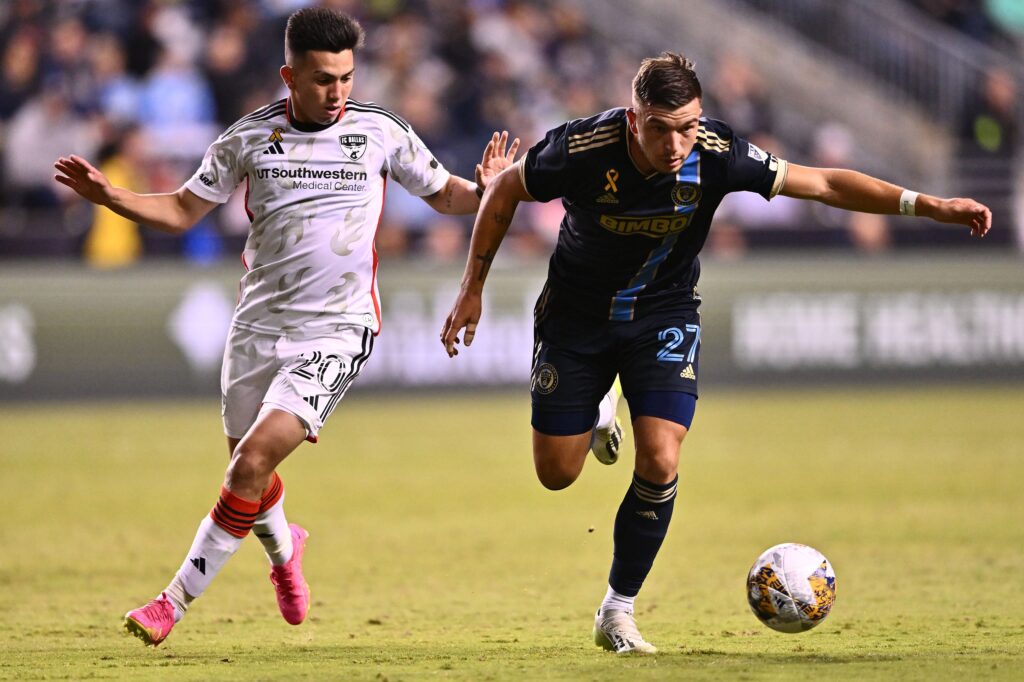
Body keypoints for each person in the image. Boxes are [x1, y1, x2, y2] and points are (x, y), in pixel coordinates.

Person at [440, 52, 990, 654]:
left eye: (687, 127)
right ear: (633, 120)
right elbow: (505, 191)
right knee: (556, 474)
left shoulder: (719, 153)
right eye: (660, 129)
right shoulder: (581, 148)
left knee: (660, 456)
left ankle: (617, 610)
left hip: (664, 314)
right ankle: (600, 403)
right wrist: (472, 288)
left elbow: (825, 183)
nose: (676, 144)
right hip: (575, 319)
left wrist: (929, 205)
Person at [54, 7, 518, 647]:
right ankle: (284, 551)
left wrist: (488, 189)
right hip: (257, 327)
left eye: (346, 77)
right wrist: (111, 197)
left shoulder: (379, 132)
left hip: (336, 328)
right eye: (323, 79)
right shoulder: (248, 139)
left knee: (250, 461)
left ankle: (171, 602)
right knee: (249, 472)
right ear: (289, 76)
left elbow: (444, 194)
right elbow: (184, 209)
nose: (337, 92)